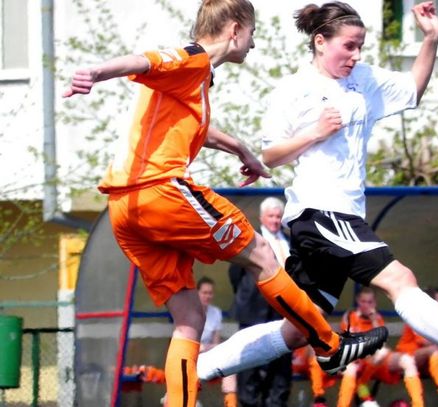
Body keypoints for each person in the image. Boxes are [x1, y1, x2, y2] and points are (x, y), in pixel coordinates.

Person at [196, 0, 438, 393]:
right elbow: (270, 155)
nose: (356, 55)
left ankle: (201, 367)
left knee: (299, 328)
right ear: (320, 42)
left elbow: (413, 90)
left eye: (360, 47)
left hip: (342, 216)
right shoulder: (294, 88)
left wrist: (430, 38)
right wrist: (315, 132)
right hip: (321, 212)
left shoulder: (364, 79)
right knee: (400, 278)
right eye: (349, 46)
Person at [63, 1, 387, 405]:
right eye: (252, 34)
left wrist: (240, 149)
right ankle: (328, 345)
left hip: (124, 209)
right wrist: (96, 72)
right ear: (235, 30)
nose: (253, 44)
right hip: (160, 191)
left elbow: (197, 128)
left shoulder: (193, 84)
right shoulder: (193, 59)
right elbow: (145, 60)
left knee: (189, 317)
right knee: (262, 254)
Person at [228, 197, 293, 407]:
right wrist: (249, 294)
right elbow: (235, 272)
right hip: (254, 308)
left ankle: (276, 402)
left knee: (281, 360)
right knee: (250, 360)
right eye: (271, 216)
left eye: (278, 216)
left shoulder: (290, 241)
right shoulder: (250, 239)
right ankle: (249, 403)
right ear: (261, 217)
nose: (275, 220)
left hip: (284, 309)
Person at [337, 287, 424, 407]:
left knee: (407, 360)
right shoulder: (350, 317)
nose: (366, 305)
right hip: (358, 361)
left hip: (377, 362)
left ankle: (418, 404)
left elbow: (381, 344)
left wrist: (374, 321)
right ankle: (360, 390)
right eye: (363, 301)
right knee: (352, 367)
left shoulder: (377, 318)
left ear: (375, 303)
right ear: (358, 301)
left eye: (370, 302)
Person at [197, 277, 237, 407]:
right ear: (197, 293)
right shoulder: (190, 311)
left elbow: (216, 342)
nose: (207, 296)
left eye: (210, 293)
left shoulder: (216, 312)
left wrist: (206, 348)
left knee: (230, 364)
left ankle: (230, 402)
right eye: (204, 292)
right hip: (192, 355)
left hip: (208, 352)